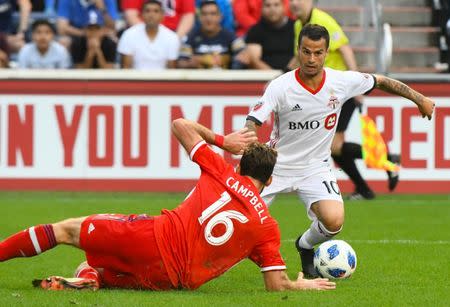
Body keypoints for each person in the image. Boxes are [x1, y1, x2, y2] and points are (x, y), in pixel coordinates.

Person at [0, 119, 336, 292]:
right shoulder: (267, 226)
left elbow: (180, 125)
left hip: (154, 238)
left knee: (67, 230)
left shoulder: (221, 170)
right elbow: (275, 285)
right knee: (94, 272)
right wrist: (299, 284)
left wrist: (222, 141)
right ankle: (91, 279)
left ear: (240, 166)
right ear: (270, 180)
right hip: (175, 280)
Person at [244, 24, 435, 278]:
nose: (311, 59)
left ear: (326, 52)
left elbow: (380, 81)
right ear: (298, 50)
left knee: (334, 222)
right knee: (242, 221)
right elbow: (253, 121)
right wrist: (249, 138)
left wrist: (419, 98)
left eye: (318, 53)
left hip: (316, 167)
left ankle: (305, 245)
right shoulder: (280, 86)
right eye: (306, 51)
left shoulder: (341, 81)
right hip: (276, 166)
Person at [289, 0, 400, 199]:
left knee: (333, 146)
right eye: (292, 0)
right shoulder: (299, 25)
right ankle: (369, 183)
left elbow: (345, 49)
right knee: (334, 147)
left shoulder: (323, 21)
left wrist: (356, 87)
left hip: (340, 89)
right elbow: (300, 58)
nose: (295, 3)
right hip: (323, 93)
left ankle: (379, 170)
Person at [178, 0, 245, 69]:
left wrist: (227, 59)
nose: (208, 18)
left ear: (220, 17)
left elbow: (243, 55)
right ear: (199, 18)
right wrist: (191, 64)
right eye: (204, 14)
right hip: (200, 78)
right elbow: (180, 63)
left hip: (225, 78)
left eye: (213, 14)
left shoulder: (230, 36)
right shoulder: (191, 37)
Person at [118, 0, 180, 70]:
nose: (151, 15)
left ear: (162, 15)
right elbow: (126, 68)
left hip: (162, 80)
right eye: (147, 11)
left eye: (156, 11)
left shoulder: (172, 37)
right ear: (141, 14)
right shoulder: (129, 35)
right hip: (135, 79)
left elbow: (172, 70)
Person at [245, 0, 295, 70]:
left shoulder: (296, 26)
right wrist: (274, 77)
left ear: (284, 7)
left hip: (293, 75)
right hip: (264, 77)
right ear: (261, 9)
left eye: (276, 5)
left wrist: (286, 75)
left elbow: (300, 55)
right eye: (268, 5)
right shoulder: (255, 30)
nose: (272, 9)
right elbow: (254, 60)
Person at [121, 0, 195, 39]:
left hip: (175, 32)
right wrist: (146, 35)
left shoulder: (173, 38)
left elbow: (188, 15)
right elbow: (131, 15)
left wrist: (175, 38)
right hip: (143, 32)